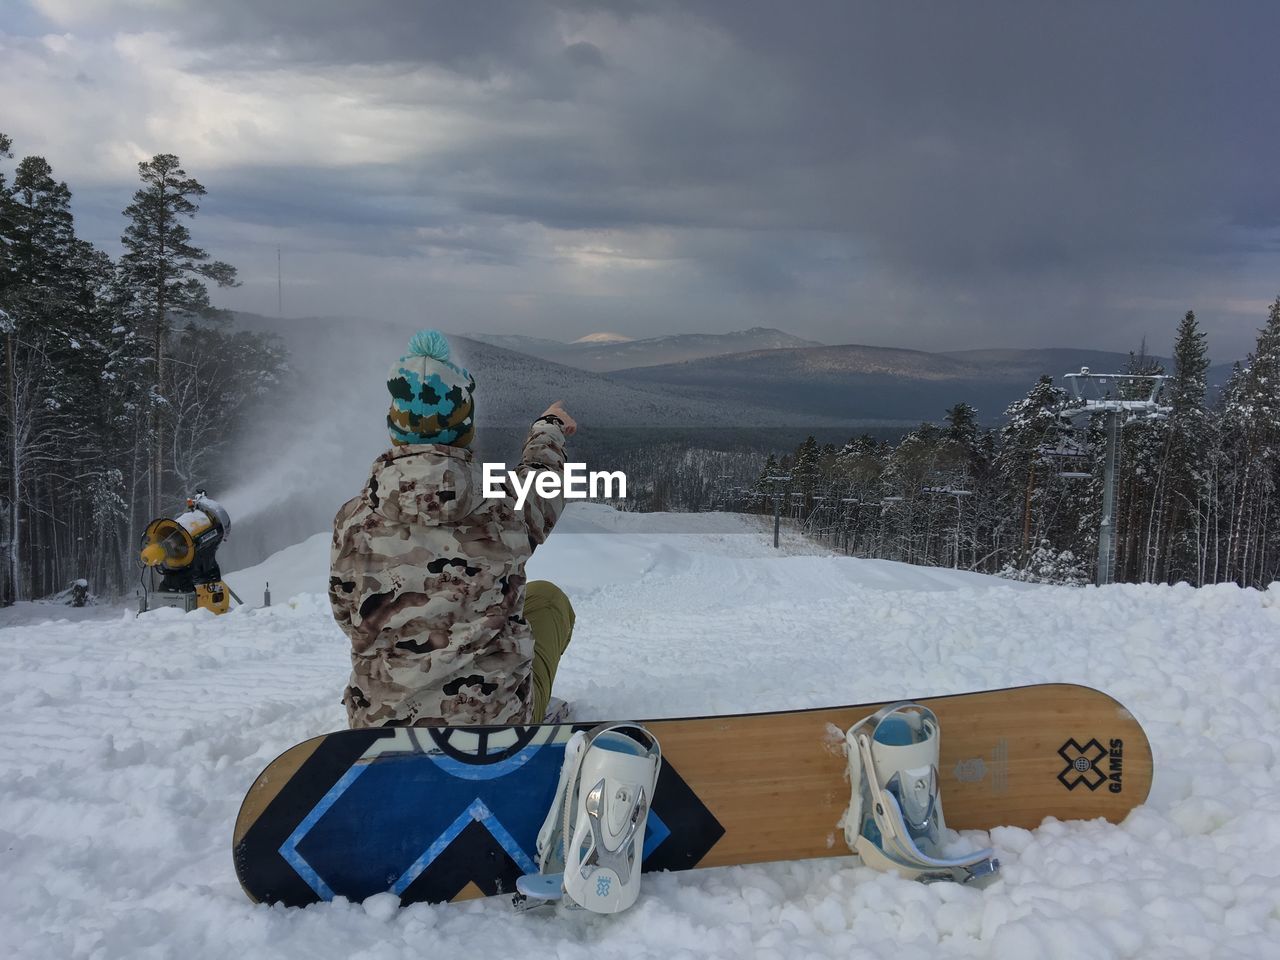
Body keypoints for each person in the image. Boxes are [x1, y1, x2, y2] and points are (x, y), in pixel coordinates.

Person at [329, 329, 577, 728]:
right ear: (466, 429)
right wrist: (547, 428)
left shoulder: (353, 518)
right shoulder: (506, 506)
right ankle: (531, 710)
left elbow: (348, 615)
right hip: (494, 724)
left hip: (378, 725)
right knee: (547, 601)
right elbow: (546, 479)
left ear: (394, 428)